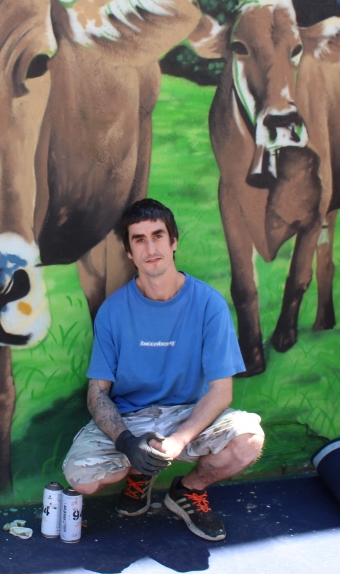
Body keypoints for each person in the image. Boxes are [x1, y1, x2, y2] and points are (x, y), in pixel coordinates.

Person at [62, 198, 265, 541]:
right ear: (129, 251)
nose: (150, 247)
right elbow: (97, 392)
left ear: (174, 242)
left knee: (249, 440)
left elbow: (221, 391)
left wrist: (177, 441)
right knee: (82, 478)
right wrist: (127, 444)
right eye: (139, 239)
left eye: (158, 235)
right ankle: (139, 476)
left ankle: (188, 490)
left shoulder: (208, 304)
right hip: (132, 418)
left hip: (189, 415)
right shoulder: (113, 311)